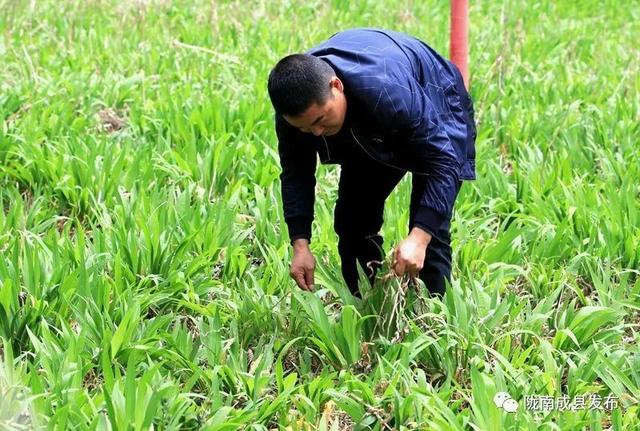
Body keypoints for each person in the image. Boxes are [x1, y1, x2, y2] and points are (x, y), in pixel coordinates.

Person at [267, 28, 476, 298]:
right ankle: (367, 303)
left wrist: (419, 237)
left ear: (336, 86)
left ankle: (435, 321)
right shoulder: (296, 113)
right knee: (352, 222)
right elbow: (296, 174)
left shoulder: (386, 92)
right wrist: (300, 245)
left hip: (436, 104)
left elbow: (445, 162)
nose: (316, 133)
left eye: (320, 120)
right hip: (370, 122)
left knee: (429, 233)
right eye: (306, 129)